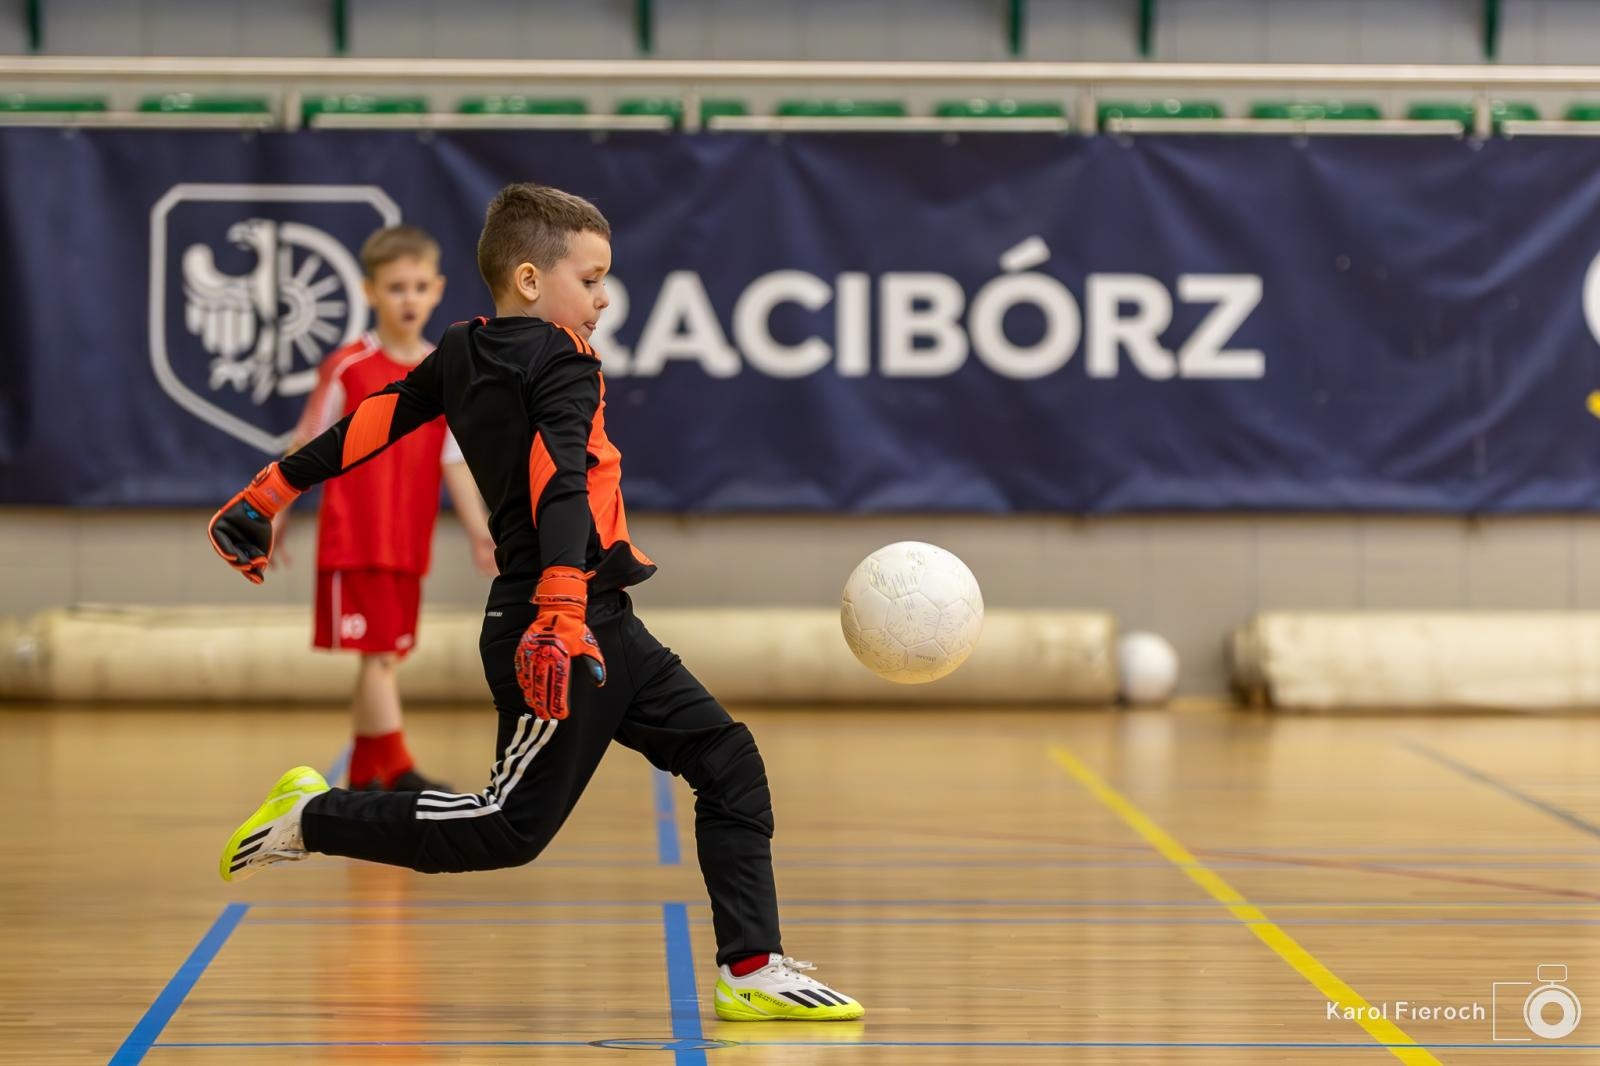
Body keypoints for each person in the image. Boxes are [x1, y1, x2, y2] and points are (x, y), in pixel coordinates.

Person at [206, 183, 862, 1021]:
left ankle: (751, 965)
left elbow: (377, 419)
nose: (603, 297)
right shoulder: (560, 358)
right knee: (506, 827)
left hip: (600, 619)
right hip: (552, 620)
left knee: (726, 761)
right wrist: (558, 606)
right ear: (527, 279)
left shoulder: (463, 348)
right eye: (590, 279)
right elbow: (562, 476)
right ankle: (313, 817)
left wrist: (271, 487)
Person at [273, 224, 497, 793]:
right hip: (355, 538)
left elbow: (454, 459)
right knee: (376, 655)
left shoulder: (441, 371)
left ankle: (369, 772)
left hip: (407, 540)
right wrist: (272, 516)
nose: (409, 298)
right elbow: (303, 447)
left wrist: (479, 532)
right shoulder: (347, 367)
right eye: (396, 287)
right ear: (369, 291)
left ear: (439, 289)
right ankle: (396, 769)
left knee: (385, 657)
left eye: (420, 286)